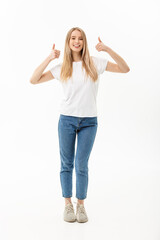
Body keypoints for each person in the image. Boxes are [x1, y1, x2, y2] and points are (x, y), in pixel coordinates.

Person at [30, 27, 130, 223]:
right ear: (68, 42)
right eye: (73, 38)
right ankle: (68, 204)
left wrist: (107, 49)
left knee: (81, 165)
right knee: (66, 164)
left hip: (89, 122)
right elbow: (33, 80)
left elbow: (125, 69)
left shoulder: (95, 63)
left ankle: (81, 206)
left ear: (84, 42)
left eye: (81, 39)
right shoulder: (61, 67)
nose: (77, 42)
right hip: (66, 120)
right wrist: (49, 58)